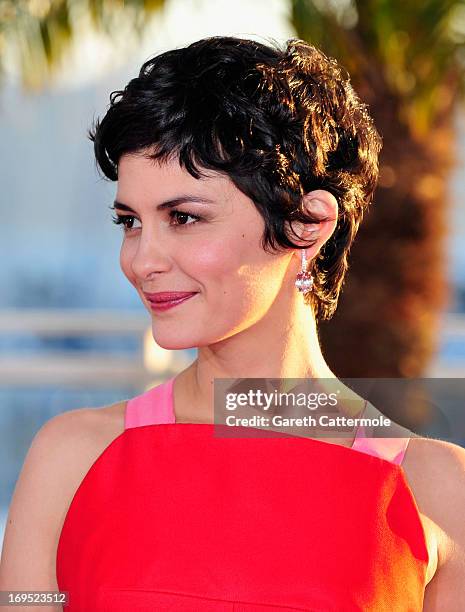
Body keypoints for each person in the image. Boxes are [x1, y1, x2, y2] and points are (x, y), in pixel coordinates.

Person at [1, 35, 464, 611]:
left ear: (308, 224)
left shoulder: (438, 489)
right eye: (130, 221)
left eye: (184, 217)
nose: (142, 260)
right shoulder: (70, 456)